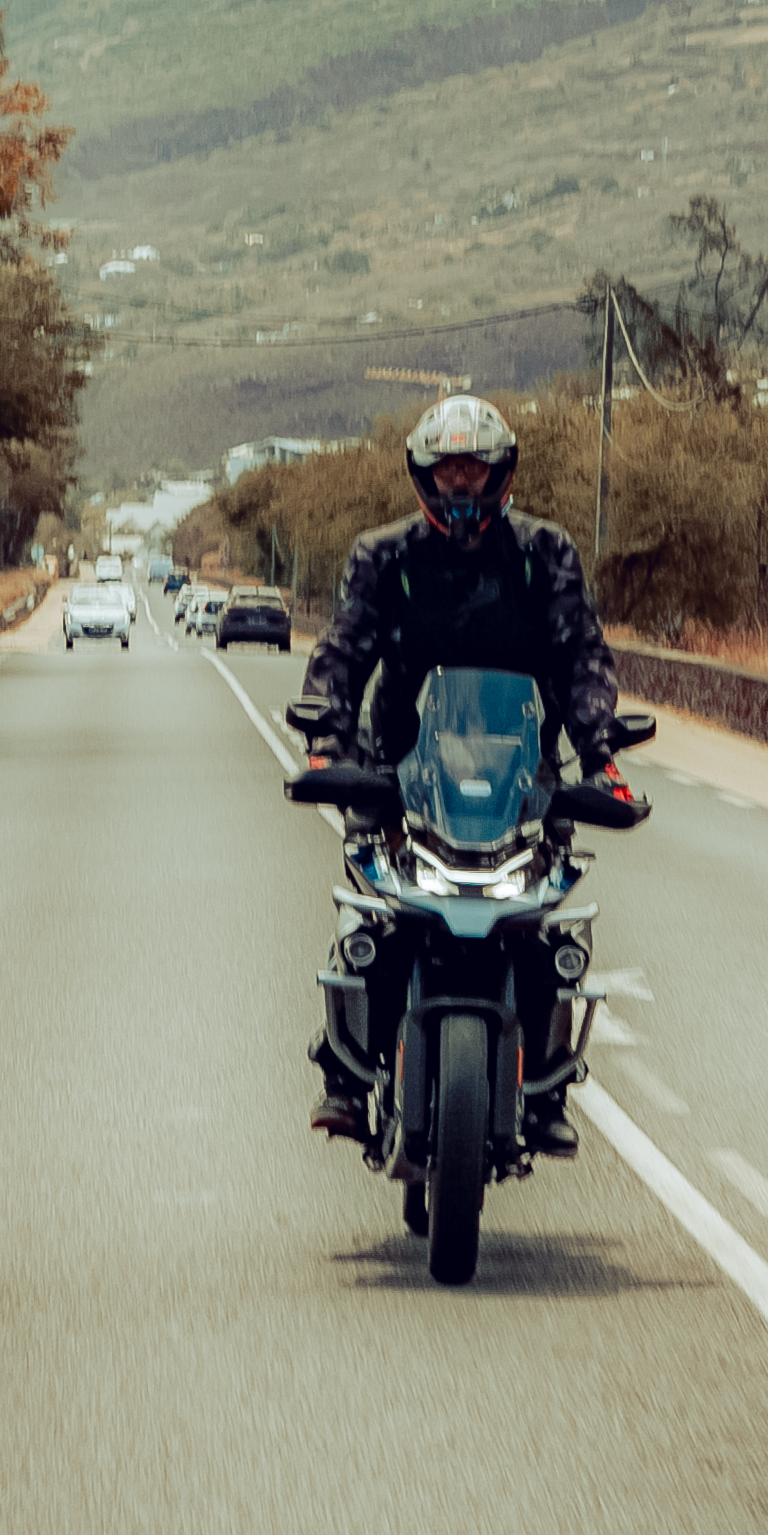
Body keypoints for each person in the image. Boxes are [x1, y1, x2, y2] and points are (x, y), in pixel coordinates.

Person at [291, 394, 636, 1158]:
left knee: (540, 929)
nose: (462, 487)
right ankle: (345, 1077)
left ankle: (545, 1088)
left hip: (522, 782)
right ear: (422, 475)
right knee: (370, 919)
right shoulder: (385, 556)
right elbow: (344, 652)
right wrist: (325, 741)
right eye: (447, 471)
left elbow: (580, 655)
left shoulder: (544, 553)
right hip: (400, 774)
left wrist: (601, 753)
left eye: (475, 471)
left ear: (501, 474)